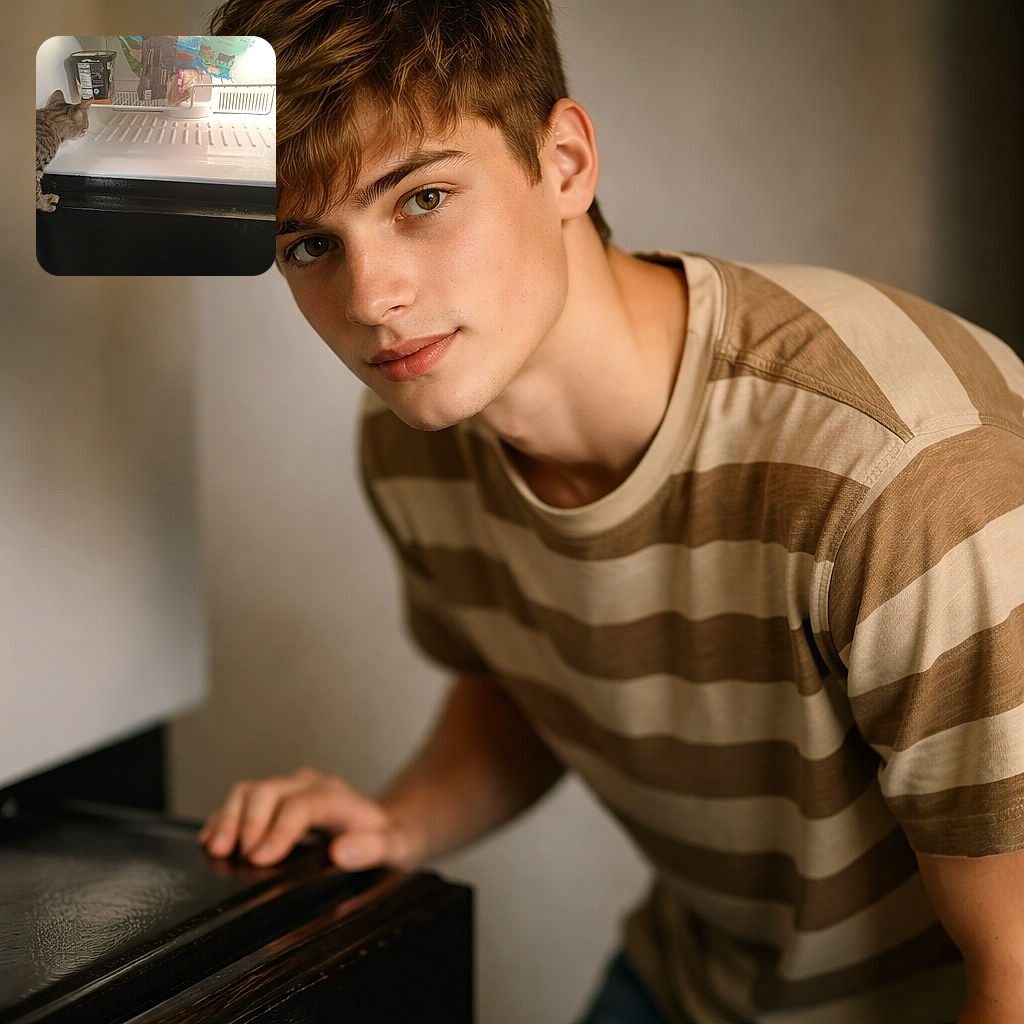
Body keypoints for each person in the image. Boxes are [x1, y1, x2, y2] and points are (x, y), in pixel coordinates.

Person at [199, 2, 1024, 1021]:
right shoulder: (419, 446)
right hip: (698, 977)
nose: (371, 296)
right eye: (312, 246)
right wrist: (396, 821)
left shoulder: (907, 478)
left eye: (422, 197)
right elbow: (530, 676)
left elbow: (1017, 961)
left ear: (565, 163)